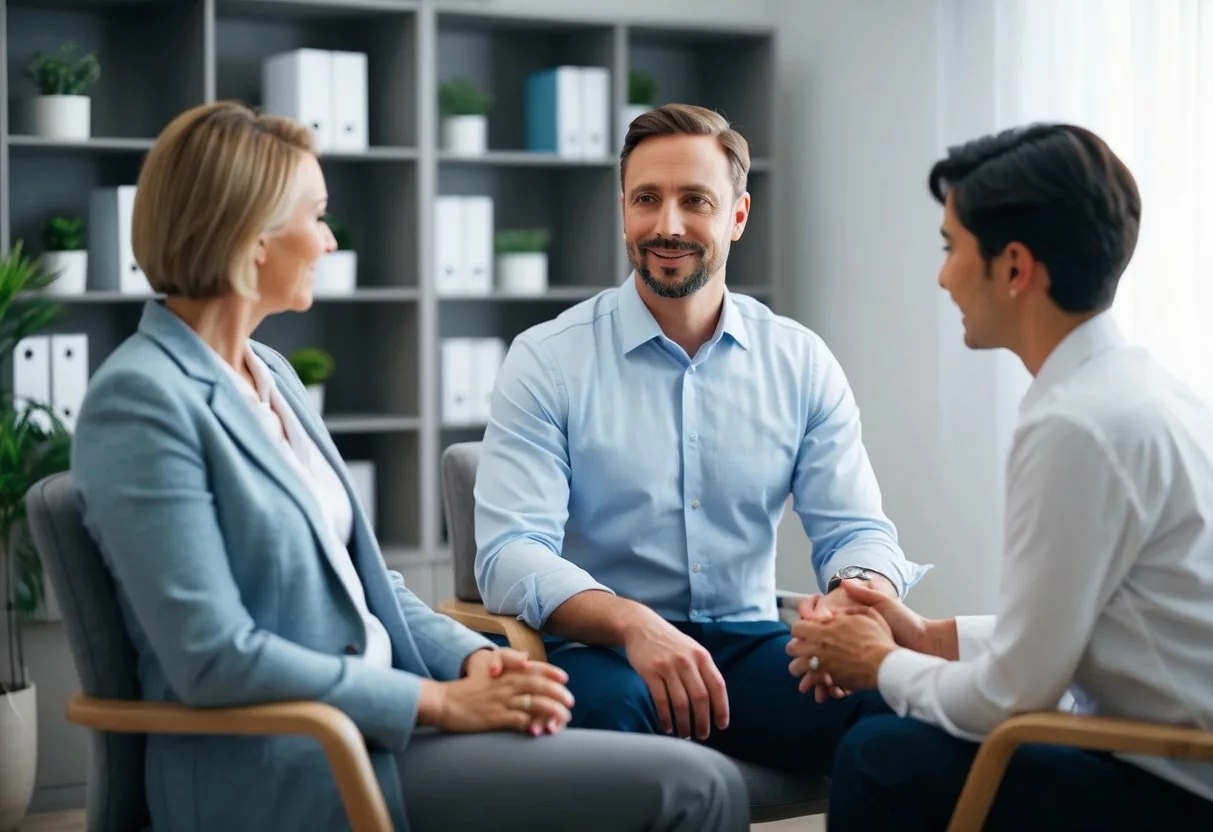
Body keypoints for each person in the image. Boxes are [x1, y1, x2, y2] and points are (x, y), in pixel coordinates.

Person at [69, 101, 750, 832]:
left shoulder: (268, 373)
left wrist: (468, 660)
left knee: (681, 775)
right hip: (292, 761)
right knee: (696, 788)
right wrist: (438, 703)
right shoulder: (141, 401)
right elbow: (213, 658)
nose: (328, 241)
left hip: (380, 732)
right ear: (252, 234)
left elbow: (365, 584)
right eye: (318, 215)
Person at [472, 102, 929, 772]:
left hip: (750, 646)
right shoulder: (547, 360)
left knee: (900, 703)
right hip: (607, 652)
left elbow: (857, 529)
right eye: (645, 200)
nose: (667, 225)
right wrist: (632, 623)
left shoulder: (798, 361)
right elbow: (510, 553)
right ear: (622, 210)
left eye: (694, 200)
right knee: (603, 721)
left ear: (736, 216)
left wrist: (853, 595)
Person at [787, 123, 1213, 830]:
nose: (942, 275)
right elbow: (1077, 627)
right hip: (1176, 759)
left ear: (1014, 268)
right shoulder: (1144, 391)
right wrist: (923, 635)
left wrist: (875, 662)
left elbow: (1012, 698)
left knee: (877, 756)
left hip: (1174, 789)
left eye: (951, 248)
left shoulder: (1074, 426)